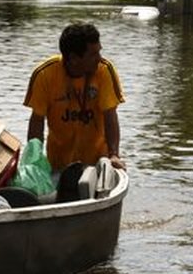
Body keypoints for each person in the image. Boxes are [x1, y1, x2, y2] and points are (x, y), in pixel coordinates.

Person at [25, 22, 126, 171]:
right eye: (93, 54)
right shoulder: (44, 74)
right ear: (73, 58)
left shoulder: (104, 70)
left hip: (97, 162)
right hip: (58, 164)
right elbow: (37, 119)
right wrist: (35, 160)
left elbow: (110, 115)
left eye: (99, 52)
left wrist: (114, 155)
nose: (99, 58)